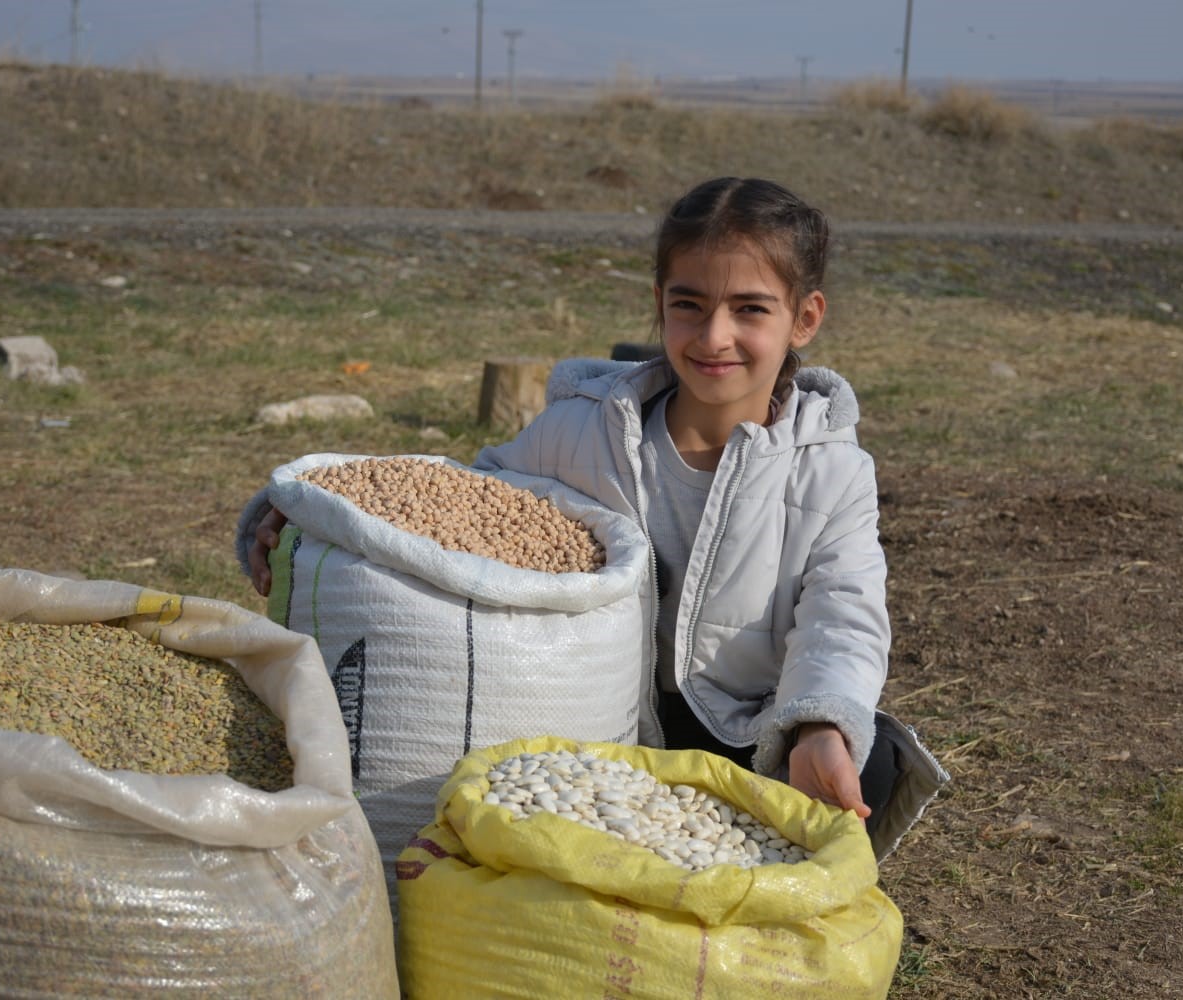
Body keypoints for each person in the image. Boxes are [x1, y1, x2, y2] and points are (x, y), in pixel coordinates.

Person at [244, 177, 945, 853]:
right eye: (689, 304)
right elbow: (463, 506)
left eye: (751, 309)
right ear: (659, 303)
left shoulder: (832, 471)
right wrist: (313, 512)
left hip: (744, 729)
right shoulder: (585, 432)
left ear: (806, 318)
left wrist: (819, 723)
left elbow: (842, 615)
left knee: (870, 756)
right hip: (592, 721)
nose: (714, 336)